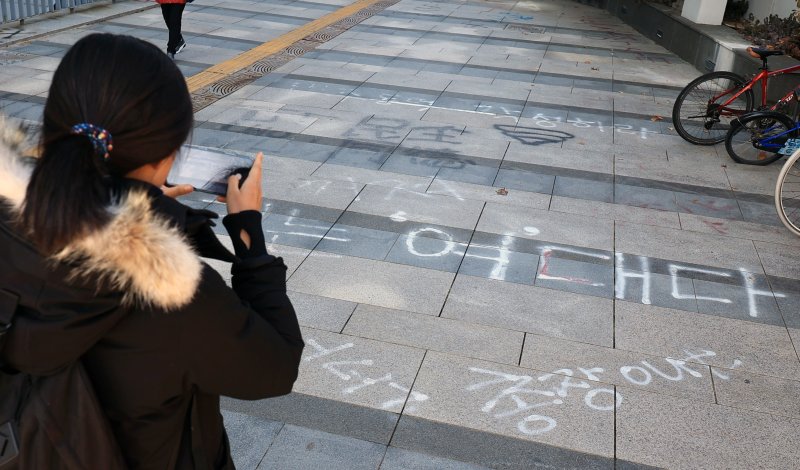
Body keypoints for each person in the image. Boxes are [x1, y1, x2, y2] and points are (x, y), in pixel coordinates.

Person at [0, 33, 304, 468]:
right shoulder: (169, 289)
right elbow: (274, 367)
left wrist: (137, 203)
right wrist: (248, 234)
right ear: (169, 152)